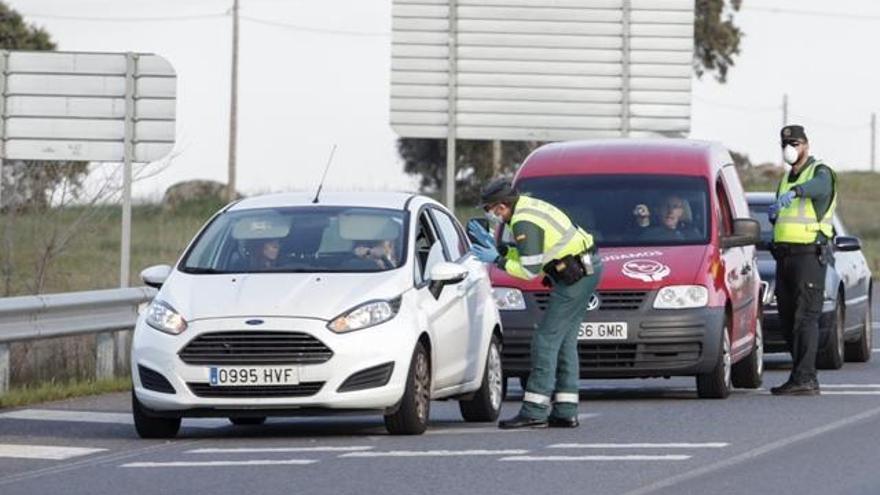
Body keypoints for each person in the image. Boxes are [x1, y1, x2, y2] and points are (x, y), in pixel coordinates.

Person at [469, 178, 602, 429]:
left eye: (489, 209)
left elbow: (529, 271)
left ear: (500, 207)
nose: (489, 214)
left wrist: (496, 259)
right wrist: (500, 249)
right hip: (583, 269)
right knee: (564, 341)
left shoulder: (523, 221)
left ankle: (534, 410)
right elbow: (535, 253)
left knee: (545, 340)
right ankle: (565, 410)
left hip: (575, 275)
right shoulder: (527, 206)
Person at [768, 124, 837, 396]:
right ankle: (798, 375)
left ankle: (807, 378)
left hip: (809, 254)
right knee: (787, 320)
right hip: (785, 256)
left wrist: (795, 193)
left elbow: (818, 188)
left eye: (795, 143)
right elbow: (781, 214)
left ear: (806, 145)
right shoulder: (785, 179)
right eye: (786, 143)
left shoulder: (820, 171)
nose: (790, 148)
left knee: (805, 318)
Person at [636, 195, 700, 241]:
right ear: (657, 210)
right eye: (666, 206)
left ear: (681, 212)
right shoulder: (648, 236)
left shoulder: (693, 235)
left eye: (675, 207)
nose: (670, 211)